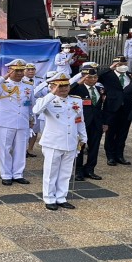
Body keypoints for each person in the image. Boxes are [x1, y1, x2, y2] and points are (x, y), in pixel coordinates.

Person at [33, 72, 87, 211]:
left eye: (66, 86)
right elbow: (36, 110)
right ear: (52, 87)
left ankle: (61, 197)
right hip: (53, 142)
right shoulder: (48, 100)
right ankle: (49, 198)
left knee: (65, 172)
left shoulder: (76, 100)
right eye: (59, 86)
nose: (63, 89)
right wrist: (52, 93)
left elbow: (79, 120)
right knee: (51, 172)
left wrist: (83, 137)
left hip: (71, 142)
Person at [0, 59, 35, 186]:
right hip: (5, 121)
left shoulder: (28, 85)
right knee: (5, 148)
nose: (19, 73)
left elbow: (30, 104)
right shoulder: (2, 84)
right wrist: (2, 77)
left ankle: (18, 174)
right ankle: (6, 174)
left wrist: (31, 118)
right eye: (15, 70)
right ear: (9, 71)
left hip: (22, 121)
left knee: (21, 148)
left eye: (21, 70)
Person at [69, 66, 105, 181]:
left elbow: (104, 107)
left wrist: (105, 122)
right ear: (84, 77)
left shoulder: (100, 89)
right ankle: (78, 171)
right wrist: (78, 82)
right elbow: (68, 90)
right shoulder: (78, 89)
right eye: (89, 77)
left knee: (94, 147)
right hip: (82, 123)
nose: (93, 79)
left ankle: (90, 169)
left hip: (97, 122)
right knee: (80, 147)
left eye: (95, 77)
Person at [99, 56, 132, 166]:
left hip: (127, 108)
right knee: (111, 133)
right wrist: (110, 68)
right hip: (112, 107)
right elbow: (98, 76)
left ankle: (120, 155)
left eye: (124, 63)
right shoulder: (108, 75)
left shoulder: (129, 75)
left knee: (123, 133)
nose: (122, 66)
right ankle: (110, 156)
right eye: (119, 64)